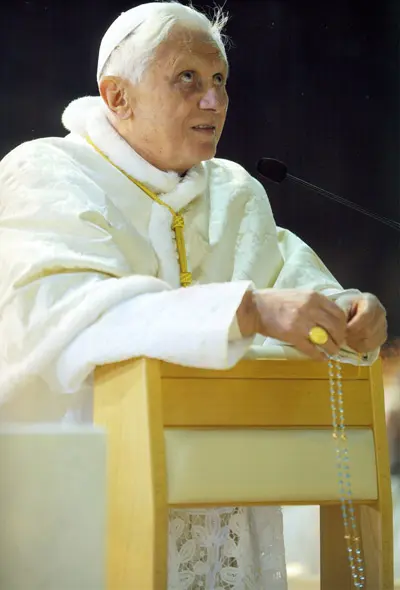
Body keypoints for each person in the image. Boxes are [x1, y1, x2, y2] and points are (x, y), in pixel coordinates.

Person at [0, 2, 387, 588]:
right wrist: (248, 311)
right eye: (188, 79)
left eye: (220, 82)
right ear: (117, 96)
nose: (214, 101)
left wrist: (354, 316)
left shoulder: (235, 193)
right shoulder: (48, 173)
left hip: (228, 498)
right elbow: (60, 313)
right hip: (87, 498)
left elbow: (301, 293)